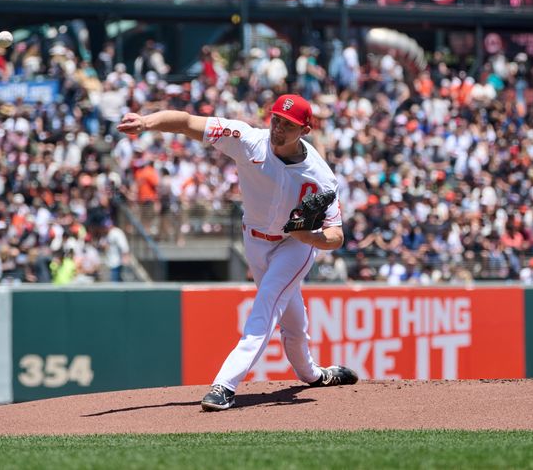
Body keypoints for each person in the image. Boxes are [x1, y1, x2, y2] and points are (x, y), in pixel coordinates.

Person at [117, 93, 357, 412]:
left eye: (288, 124)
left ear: (305, 130)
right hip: (254, 241)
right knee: (294, 324)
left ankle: (224, 385)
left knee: (267, 304)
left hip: (295, 246)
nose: (278, 128)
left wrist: (309, 236)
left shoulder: (321, 177)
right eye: (276, 119)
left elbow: (336, 235)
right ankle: (314, 375)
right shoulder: (247, 139)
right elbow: (189, 123)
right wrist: (147, 122)